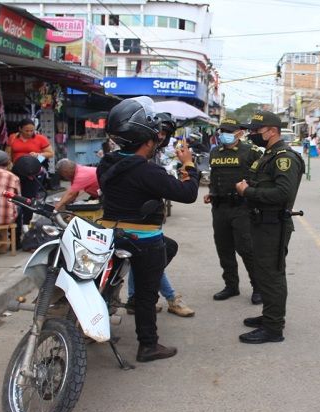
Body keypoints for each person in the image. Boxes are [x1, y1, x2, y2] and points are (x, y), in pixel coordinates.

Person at [97, 96, 198, 362]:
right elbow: (188, 194)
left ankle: (100, 318)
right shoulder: (148, 172)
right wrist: (189, 164)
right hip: (143, 240)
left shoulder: (106, 163)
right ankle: (148, 345)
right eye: (155, 138)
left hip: (110, 235)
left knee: (168, 248)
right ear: (148, 141)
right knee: (146, 293)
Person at [235, 110, 304, 344]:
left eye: (256, 131)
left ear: (272, 131)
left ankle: (274, 328)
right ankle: (269, 316)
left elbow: (283, 193)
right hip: (261, 222)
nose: (252, 135)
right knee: (264, 274)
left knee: (272, 275)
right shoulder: (269, 155)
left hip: (273, 225)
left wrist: (248, 191)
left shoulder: (285, 158)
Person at [124, 111, 195, 319]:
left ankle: (134, 298)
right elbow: (188, 193)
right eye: (158, 132)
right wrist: (188, 167)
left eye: (164, 133)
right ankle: (169, 299)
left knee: (147, 261)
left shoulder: (156, 153)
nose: (160, 136)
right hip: (135, 220)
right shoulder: (138, 153)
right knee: (153, 258)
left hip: (146, 217)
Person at [206, 117, 261, 304]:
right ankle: (231, 286)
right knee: (224, 248)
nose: (224, 135)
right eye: (222, 131)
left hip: (242, 207)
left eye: (229, 132)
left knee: (246, 248)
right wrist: (211, 192)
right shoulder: (215, 152)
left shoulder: (251, 152)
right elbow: (215, 176)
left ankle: (258, 287)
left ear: (239, 133)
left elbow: (261, 176)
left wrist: (251, 190)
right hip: (219, 207)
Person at [6, 119, 54, 228]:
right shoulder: (13, 137)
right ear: (20, 129)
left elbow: (50, 153)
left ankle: (27, 222)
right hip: (17, 171)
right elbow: (8, 153)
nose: (29, 133)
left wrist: (38, 155)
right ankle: (16, 221)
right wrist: (9, 164)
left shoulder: (40, 138)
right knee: (16, 196)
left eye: (31, 130)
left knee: (29, 196)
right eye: (26, 130)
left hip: (33, 172)